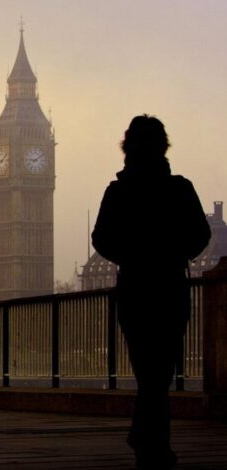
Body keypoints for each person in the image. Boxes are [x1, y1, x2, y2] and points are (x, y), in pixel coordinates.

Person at [92, 115, 210, 469]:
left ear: (127, 148)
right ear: (164, 146)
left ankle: (146, 442)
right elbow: (201, 235)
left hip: (134, 290)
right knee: (160, 373)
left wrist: (129, 256)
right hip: (170, 288)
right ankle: (153, 446)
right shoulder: (180, 189)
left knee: (148, 371)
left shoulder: (118, 191)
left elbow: (100, 239)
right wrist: (176, 253)